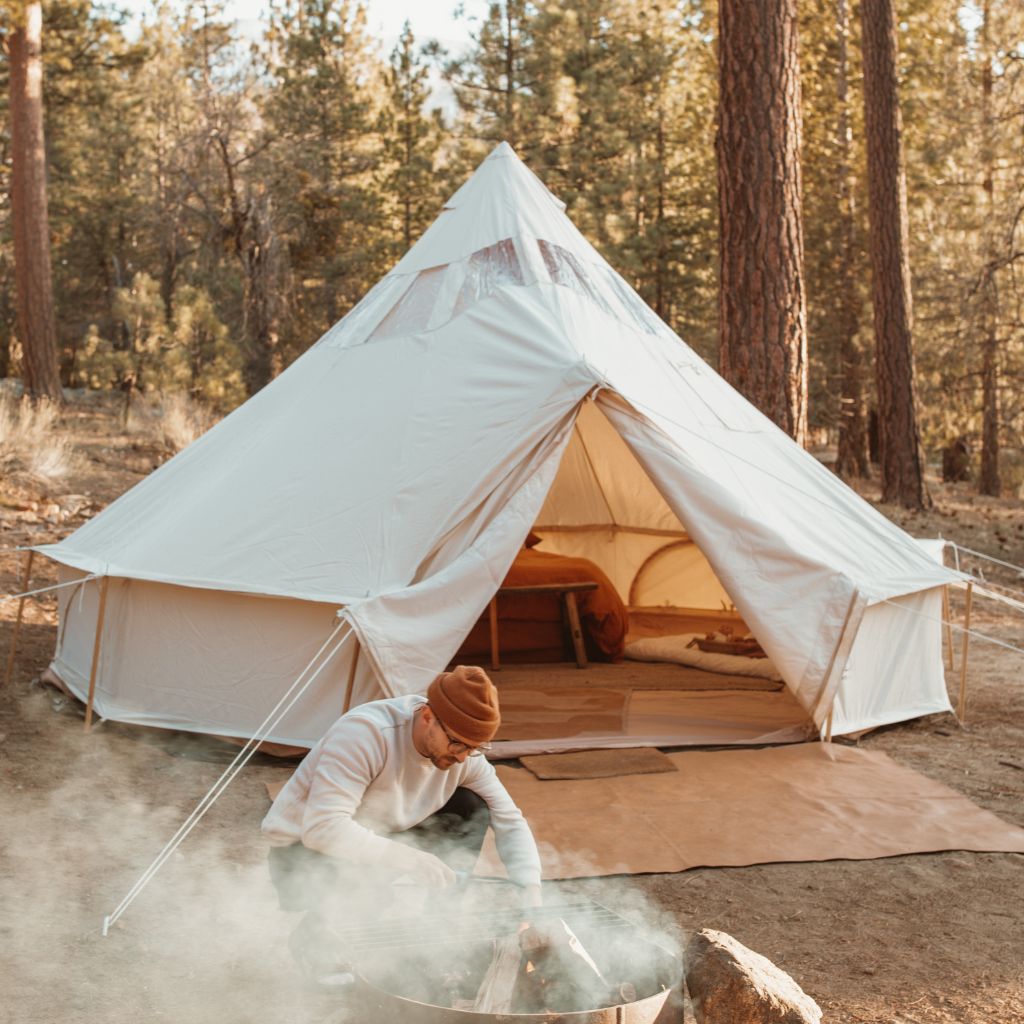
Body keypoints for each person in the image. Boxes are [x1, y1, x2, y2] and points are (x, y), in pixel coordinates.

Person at [261, 664, 542, 981]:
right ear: (426, 717)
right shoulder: (364, 734)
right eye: (458, 744)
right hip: (302, 853)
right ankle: (315, 936)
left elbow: (509, 820)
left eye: (474, 748)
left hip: (382, 835)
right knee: (365, 902)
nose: (464, 757)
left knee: (471, 806)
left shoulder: (466, 754)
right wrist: (409, 858)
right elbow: (322, 829)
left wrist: (530, 890)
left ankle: (436, 930)